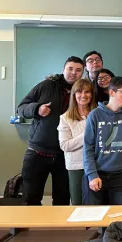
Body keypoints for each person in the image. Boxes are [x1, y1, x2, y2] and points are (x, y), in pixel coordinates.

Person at [17, 56, 85, 205]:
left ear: (83, 73)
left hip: (66, 155)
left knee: (62, 200)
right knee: (30, 198)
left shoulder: (83, 92)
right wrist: (37, 109)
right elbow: (21, 108)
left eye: (78, 70)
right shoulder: (46, 85)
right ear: (63, 69)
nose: (73, 73)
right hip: (38, 152)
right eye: (70, 69)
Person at [83, 77, 122, 206]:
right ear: (112, 92)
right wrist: (92, 174)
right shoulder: (95, 115)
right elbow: (88, 148)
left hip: (120, 175)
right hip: (98, 173)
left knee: (120, 214)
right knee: (95, 214)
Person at [58, 78, 97, 205]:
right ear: (74, 95)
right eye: (79, 92)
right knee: (78, 203)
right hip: (76, 166)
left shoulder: (98, 114)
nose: (83, 95)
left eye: (87, 92)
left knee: (97, 203)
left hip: (98, 165)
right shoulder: (65, 118)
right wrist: (87, 135)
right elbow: (65, 145)